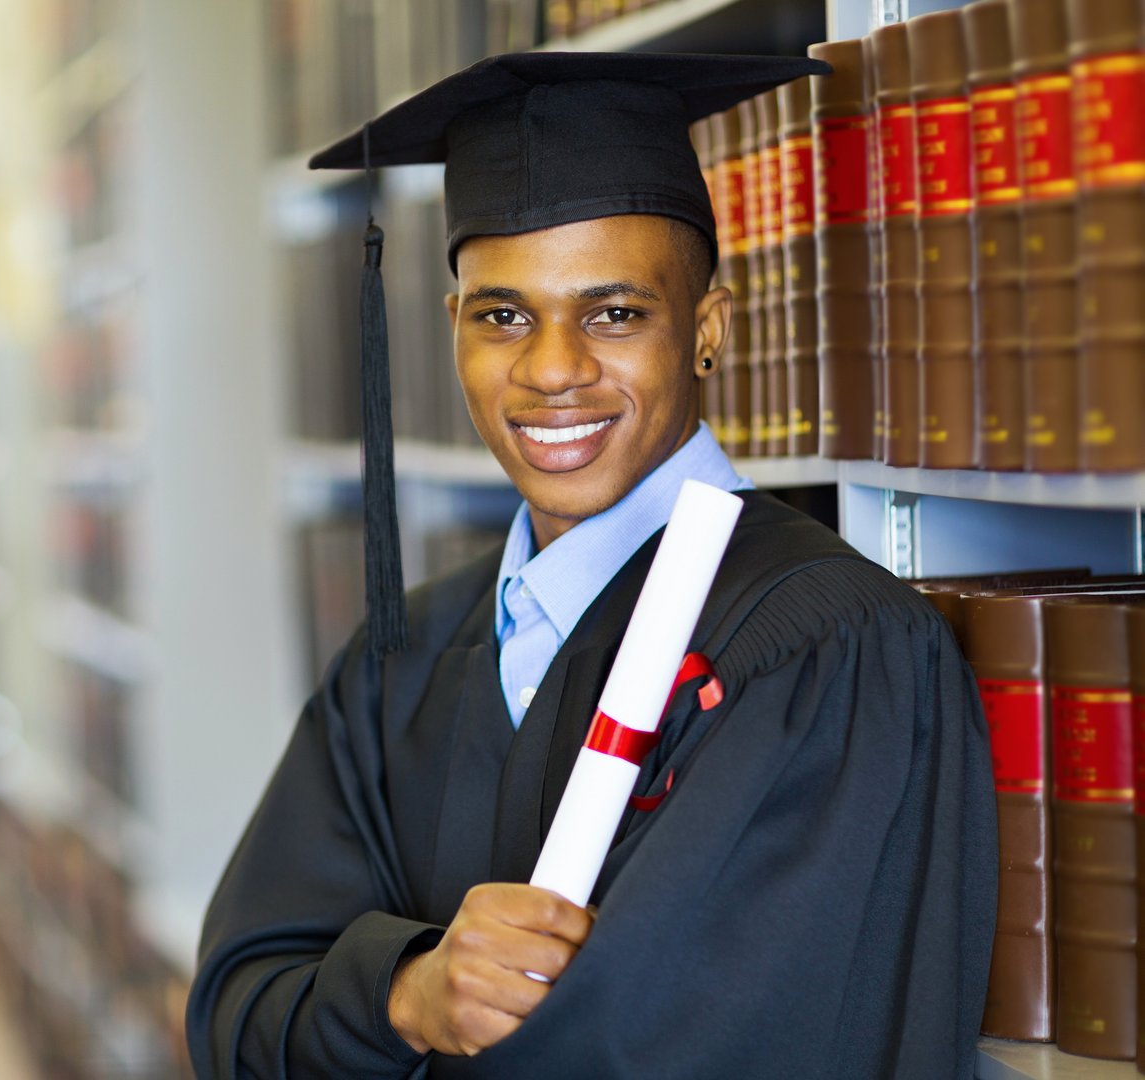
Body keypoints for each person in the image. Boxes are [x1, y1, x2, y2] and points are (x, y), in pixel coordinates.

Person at [187, 51, 996, 1079]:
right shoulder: (408, 652)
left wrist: (358, 1019)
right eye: (503, 315)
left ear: (706, 330)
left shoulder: (826, 652)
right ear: (454, 333)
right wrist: (407, 994)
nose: (552, 368)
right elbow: (237, 1006)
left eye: (615, 313)